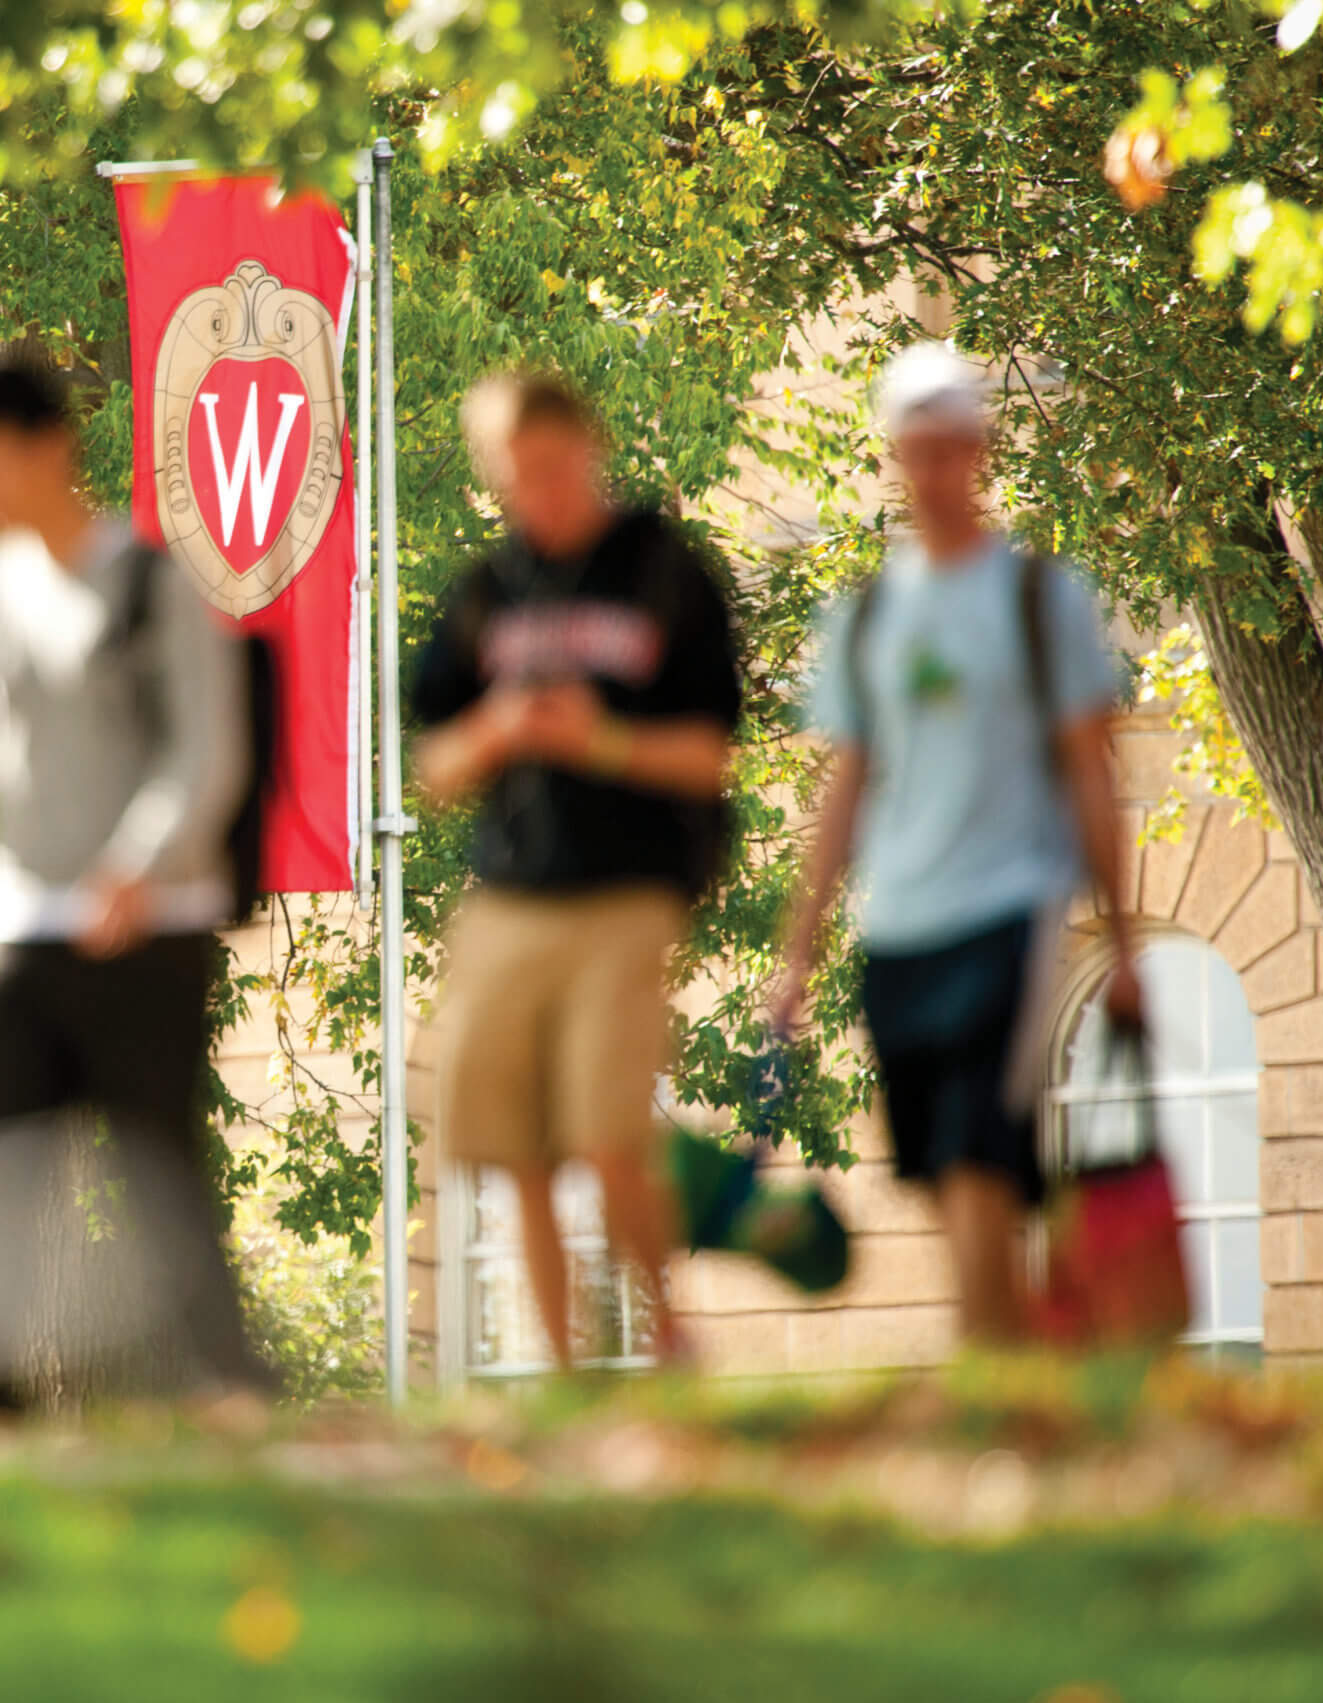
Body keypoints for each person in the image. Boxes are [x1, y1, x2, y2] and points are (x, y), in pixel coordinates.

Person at [0, 351, 274, 1412]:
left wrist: (136, 870)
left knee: (155, 1170)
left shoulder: (148, 575)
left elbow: (207, 752)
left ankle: (228, 1388)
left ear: (48, 448)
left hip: (146, 928)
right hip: (19, 924)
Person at [775, 342, 1138, 1349]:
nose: (932, 471)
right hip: (896, 920)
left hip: (1010, 904)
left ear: (979, 452)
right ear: (894, 458)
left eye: (950, 449)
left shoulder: (1040, 599)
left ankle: (983, 1374)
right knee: (940, 1168)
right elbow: (843, 786)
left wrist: (1123, 941)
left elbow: (1090, 772)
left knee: (980, 1148)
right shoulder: (866, 615)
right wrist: (797, 953)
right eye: (913, 451)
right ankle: (1015, 1352)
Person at [409, 371, 743, 1371]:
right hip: (509, 891)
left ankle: (666, 1332)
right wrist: (500, 727)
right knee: (509, 1147)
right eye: (514, 477)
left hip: (630, 889)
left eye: (551, 469)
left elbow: (709, 753)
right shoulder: (486, 592)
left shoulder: (662, 571)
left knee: (604, 1135)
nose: (535, 494)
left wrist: (599, 741)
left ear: (588, 450)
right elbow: (432, 768)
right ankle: (557, 1368)